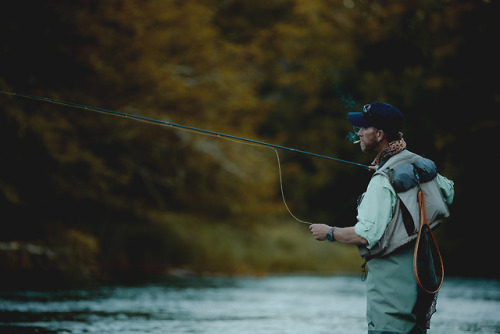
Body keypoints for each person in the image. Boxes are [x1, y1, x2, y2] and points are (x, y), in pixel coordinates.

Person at [309, 102, 454, 334]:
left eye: (363, 128)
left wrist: (329, 232)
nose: (358, 133)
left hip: (391, 287)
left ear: (379, 134)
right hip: (420, 277)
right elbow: (448, 191)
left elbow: (365, 235)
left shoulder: (383, 180)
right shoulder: (417, 164)